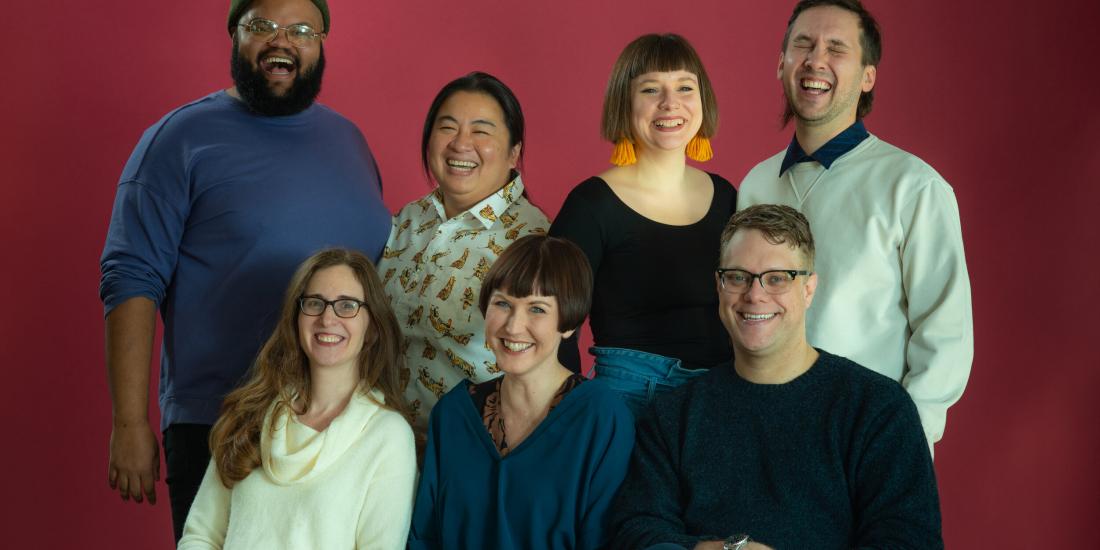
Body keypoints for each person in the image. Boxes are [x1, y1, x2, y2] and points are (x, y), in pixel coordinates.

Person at [98, 0, 391, 540]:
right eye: (262, 26)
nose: (282, 42)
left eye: (301, 30)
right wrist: (130, 422)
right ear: (235, 33)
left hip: (342, 423)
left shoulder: (348, 141)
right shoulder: (179, 140)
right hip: (220, 421)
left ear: (322, 41)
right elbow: (131, 279)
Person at [611, 205, 942, 550]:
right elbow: (636, 531)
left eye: (777, 278)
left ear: (809, 289)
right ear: (719, 285)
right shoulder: (674, 413)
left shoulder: (877, 408)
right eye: (738, 276)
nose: (755, 295)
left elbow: (909, 541)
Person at [736, 0, 973, 452]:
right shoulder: (755, 184)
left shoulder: (913, 186)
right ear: (781, 63)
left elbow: (945, 331)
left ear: (868, 76)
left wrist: (903, 445)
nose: (815, 59)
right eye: (802, 44)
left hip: (865, 442)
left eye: (836, 48)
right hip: (761, 436)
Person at [178, 248, 417, 549]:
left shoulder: (389, 437)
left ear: (371, 329)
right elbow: (201, 536)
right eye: (315, 303)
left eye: (347, 306)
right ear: (296, 317)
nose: (327, 318)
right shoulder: (250, 414)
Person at [409, 235, 634, 549]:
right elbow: (424, 538)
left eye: (537, 309)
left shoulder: (601, 418)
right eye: (502, 303)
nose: (513, 327)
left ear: (569, 322)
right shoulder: (452, 415)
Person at [550, 33, 735, 415]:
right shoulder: (591, 204)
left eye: (685, 87)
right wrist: (565, 414)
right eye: (651, 90)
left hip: (721, 397)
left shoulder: (727, 196)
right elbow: (554, 324)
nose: (670, 104)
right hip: (631, 401)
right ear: (624, 103)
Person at [379, 72, 549, 429]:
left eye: (481, 131)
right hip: (386, 445)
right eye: (448, 127)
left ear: (514, 152)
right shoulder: (409, 220)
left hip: (473, 449)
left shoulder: (532, 242)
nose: (461, 144)